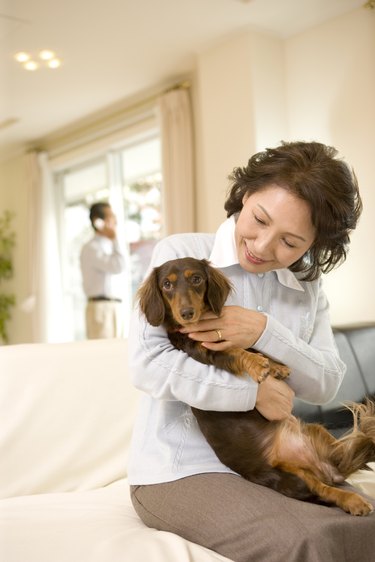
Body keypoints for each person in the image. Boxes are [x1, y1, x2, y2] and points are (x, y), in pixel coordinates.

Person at [127, 141, 375, 562]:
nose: (262, 246)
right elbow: (148, 366)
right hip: (182, 469)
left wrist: (263, 330)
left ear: (314, 244)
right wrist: (251, 393)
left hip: (277, 462)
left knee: (366, 531)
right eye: (259, 220)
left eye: (290, 242)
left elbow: (327, 383)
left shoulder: (307, 288)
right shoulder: (179, 255)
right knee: (306, 541)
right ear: (245, 194)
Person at [80, 202, 126, 339]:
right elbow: (118, 266)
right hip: (100, 309)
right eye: (111, 217)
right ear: (98, 222)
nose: (115, 221)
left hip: (113, 306)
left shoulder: (108, 245)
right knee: (102, 355)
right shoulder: (92, 248)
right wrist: (115, 239)